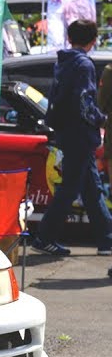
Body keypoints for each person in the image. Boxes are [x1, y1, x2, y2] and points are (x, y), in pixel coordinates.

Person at [36, 19, 112, 259]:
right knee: (70, 189)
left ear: (69, 38)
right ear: (93, 40)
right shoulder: (84, 64)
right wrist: (101, 120)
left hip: (69, 133)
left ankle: (106, 239)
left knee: (91, 189)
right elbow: (84, 101)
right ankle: (44, 237)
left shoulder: (64, 61)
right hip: (81, 135)